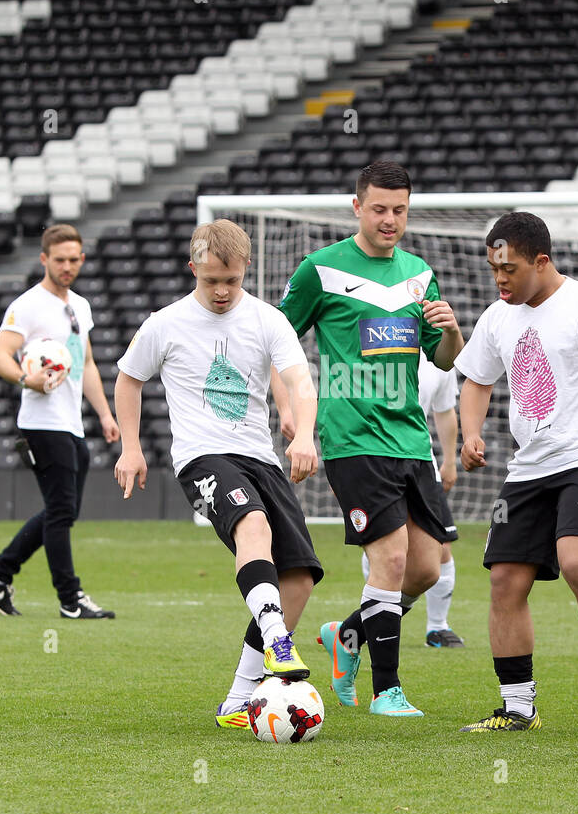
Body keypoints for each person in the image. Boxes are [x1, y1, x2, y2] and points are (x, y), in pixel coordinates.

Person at [112, 219, 324, 728]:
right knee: (254, 525)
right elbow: (128, 379)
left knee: (298, 577)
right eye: (211, 281)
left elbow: (301, 381)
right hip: (201, 457)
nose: (223, 291)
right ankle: (277, 638)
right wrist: (131, 448)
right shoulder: (164, 323)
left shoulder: (268, 319)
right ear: (193, 269)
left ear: (245, 268)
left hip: (259, 457)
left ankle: (237, 700)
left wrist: (304, 434)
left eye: (231, 279)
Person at [455, 212, 578, 732]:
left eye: (510, 269)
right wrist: (471, 433)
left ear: (542, 262)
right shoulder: (497, 317)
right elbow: (477, 380)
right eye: (493, 268)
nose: (500, 279)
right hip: (529, 468)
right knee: (504, 579)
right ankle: (518, 706)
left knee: (575, 560)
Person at [277, 160, 464, 717]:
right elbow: (273, 340)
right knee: (390, 559)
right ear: (357, 206)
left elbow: (443, 357)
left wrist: (452, 328)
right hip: (352, 438)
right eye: (379, 209)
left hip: (410, 439)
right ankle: (388, 691)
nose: (389, 220)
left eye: (399, 210)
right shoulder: (321, 269)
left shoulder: (419, 274)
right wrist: (294, 414)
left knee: (427, 567)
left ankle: (348, 636)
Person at [0, 224, 120, 619]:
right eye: (60, 260)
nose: (68, 266)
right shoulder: (27, 305)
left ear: (82, 259)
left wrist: (104, 414)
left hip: (72, 422)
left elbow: (86, 363)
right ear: (44, 260)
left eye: (74, 259)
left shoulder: (80, 307)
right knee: (60, 510)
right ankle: (70, 600)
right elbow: (1, 355)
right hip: (40, 421)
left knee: (63, 510)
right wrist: (25, 377)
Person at [359, 353, 463, 647]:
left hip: (422, 466)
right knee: (388, 553)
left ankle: (437, 627)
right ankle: (374, 620)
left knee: (439, 551)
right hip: (375, 463)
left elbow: (444, 410)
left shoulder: (439, 356)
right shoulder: (375, 349)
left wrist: (450, 461)